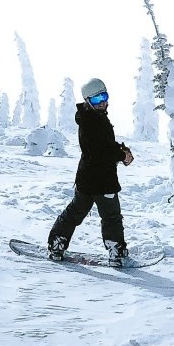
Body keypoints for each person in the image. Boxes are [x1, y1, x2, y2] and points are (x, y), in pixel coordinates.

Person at [46, 77, 135, 266]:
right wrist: (121, 155)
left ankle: (57, 243)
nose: (102, 102)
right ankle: (116, 252)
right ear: (87, 101)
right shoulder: (90, 122)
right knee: (111, 217)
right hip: (102, 181)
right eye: (96, 99)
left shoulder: (92, 118)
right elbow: (100, 151)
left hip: (87, 180)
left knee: (75, 213)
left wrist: (120, 150)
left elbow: (104, 146)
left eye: (104, 96)